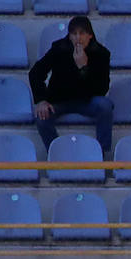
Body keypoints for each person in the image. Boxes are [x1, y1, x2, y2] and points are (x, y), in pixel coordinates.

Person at [28, 15, 113, 155]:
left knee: (105, 106)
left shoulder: (101, 54)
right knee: (41, 117)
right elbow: (36, 73)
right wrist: (42, 100)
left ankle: (102, 153)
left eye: (82, 33)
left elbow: (102, 89)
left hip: (87, 100)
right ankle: (57, 153)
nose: (78, 38)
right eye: (74, 34)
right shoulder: (59, 48)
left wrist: (83, 68)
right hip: (59, 100)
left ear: (90, 35)